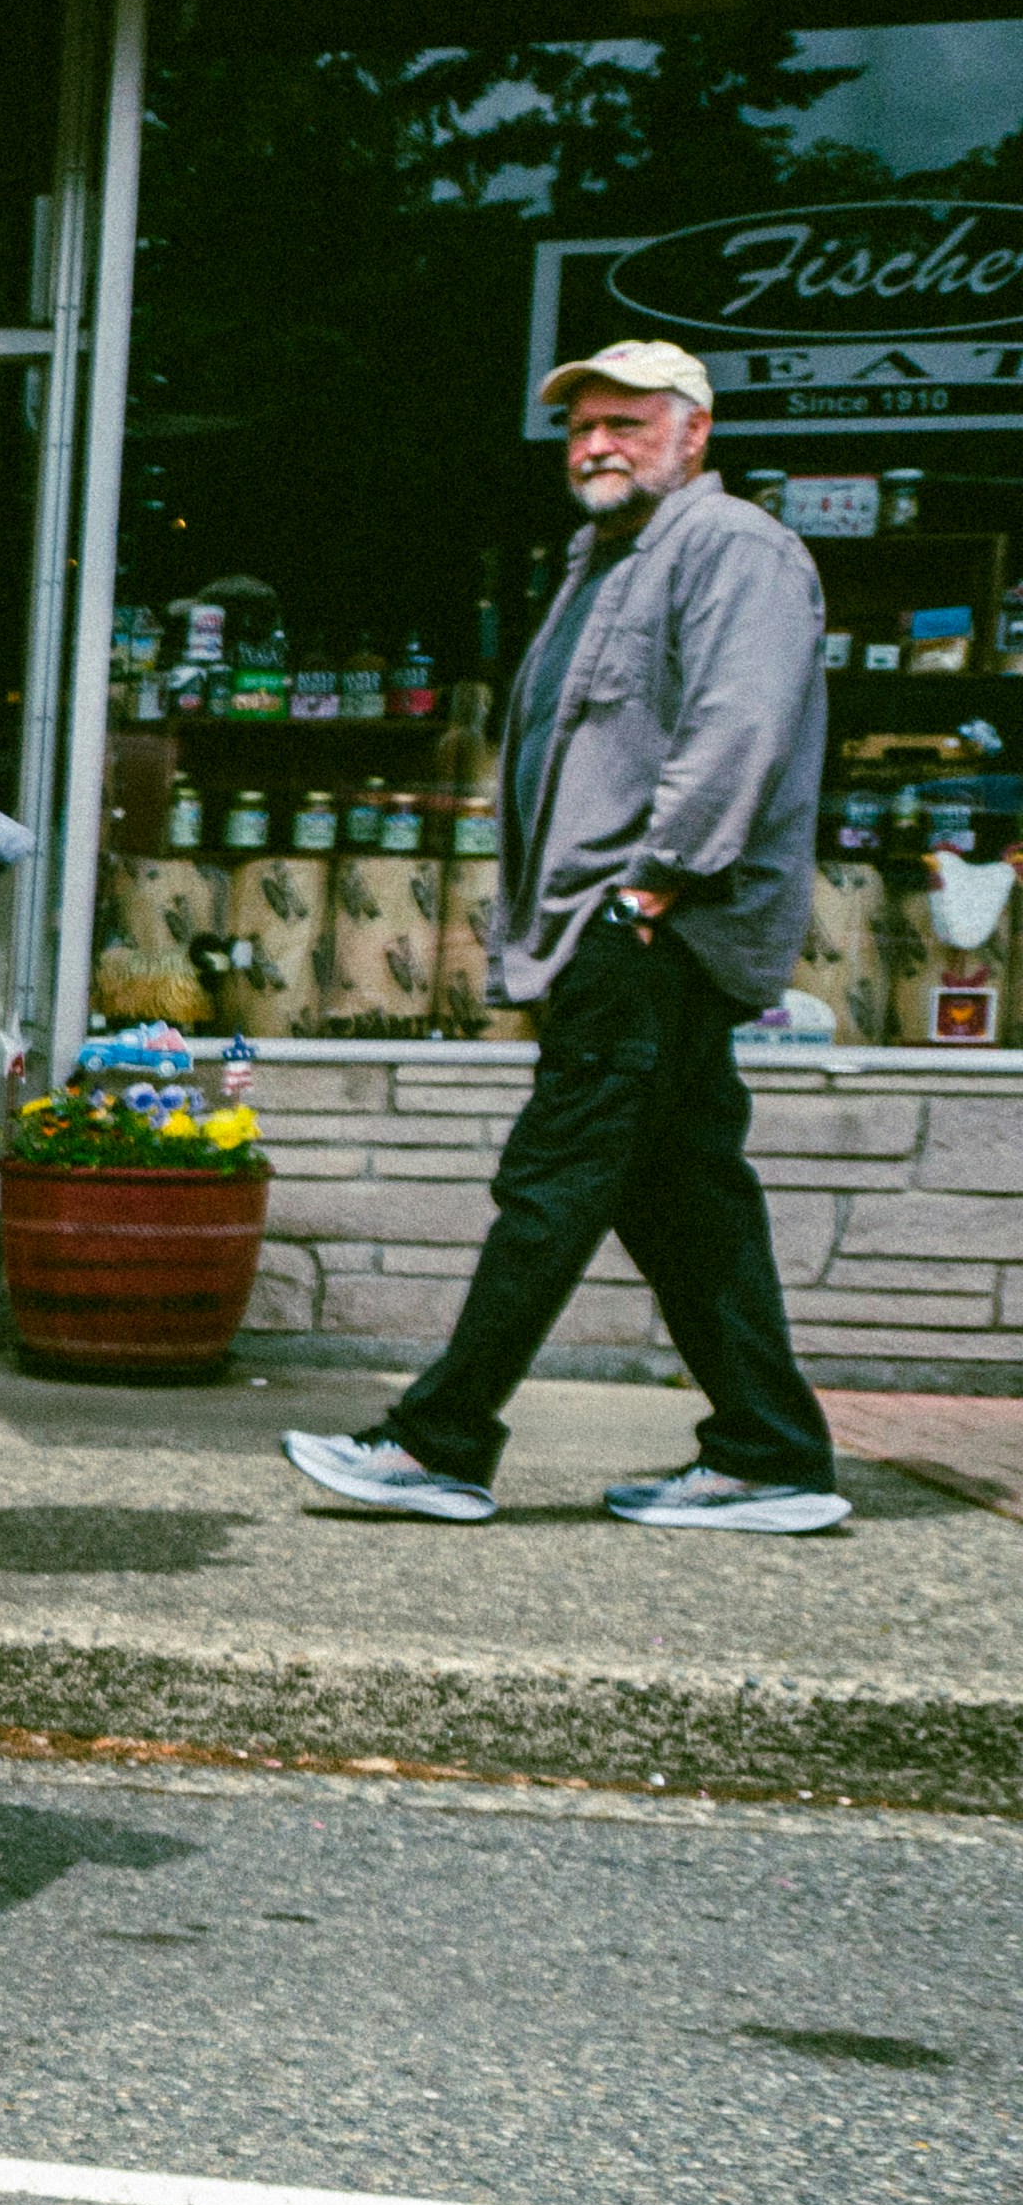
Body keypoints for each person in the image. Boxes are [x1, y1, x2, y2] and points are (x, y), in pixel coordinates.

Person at [285, 338, 846, 1535]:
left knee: (553, 1176)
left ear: (694, 432)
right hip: (620, 922)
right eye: (583, 427)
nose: (596, 445)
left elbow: (737, 724)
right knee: (687, 1198)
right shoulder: (609, 556)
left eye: (627, 423)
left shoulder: (730, 546)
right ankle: (770, 1452)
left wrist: (653, 887)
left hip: (650, 922)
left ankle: (438, 1440)